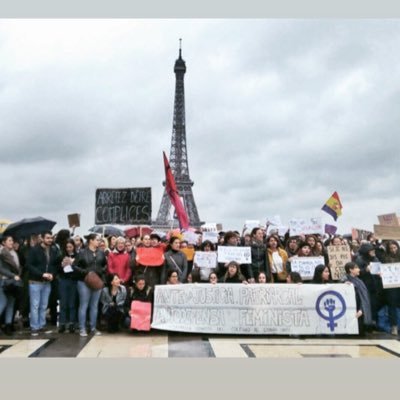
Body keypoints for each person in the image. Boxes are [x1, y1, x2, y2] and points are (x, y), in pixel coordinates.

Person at [26, 231, 61, 336]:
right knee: (35, 305)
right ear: (42, 238)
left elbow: (55, 265)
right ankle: (34, 327)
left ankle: (41, 325)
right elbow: (29, 265)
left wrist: (52, 275)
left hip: (47, 282)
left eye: (51, 238)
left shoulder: (53, 250)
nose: (50, 240)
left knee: (44, 305)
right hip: (35, 282)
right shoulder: (34, 250)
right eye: (47, 238)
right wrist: (42, 274)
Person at [73, 233, 107, 337]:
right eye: (97, 239)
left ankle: (93, 328)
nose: (99, 241)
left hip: (97, 281)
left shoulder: (101, 253)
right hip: (84, 281)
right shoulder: (82, 252)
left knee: (94, 306)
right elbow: (74, 266)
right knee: (84, 305)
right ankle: (82, 328)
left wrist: (100, 271)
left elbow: (105, 265)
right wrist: (87, 272)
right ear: (91, 241)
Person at [342, 262, 373, 336]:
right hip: (352, 313)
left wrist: (361, 309)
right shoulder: (345, 281)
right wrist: (344, 284)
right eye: (356, 268)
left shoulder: (359, 281)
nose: (359, 270)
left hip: (360, 312)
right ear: (351, 270)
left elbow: (364, 297)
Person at [0, 235, 22, 335]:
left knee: (11, 304)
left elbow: (17, 267)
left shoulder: (14, 253)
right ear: (3, 242)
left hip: (13, 282)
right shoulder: (2, 252)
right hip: (4, 281)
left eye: (12, 240)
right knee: (2, 303)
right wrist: (13, 275)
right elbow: (1, 269)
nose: (11, 242)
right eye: (9, 240)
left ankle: (8, 325)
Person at [57, 238, 79, 333]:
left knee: (72, 303)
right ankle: (62, 323)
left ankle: (71, 323)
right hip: (63, 280)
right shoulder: (61, 256)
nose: (69, 249)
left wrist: (73, 263)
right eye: (67, 247)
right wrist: (62, 265)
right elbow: (57, 269)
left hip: (73, 281)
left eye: (70, 247)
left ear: (74, 247)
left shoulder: (78, 256)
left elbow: (80, 269)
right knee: (63, 302)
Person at [382, 241, 400, 336]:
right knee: (392, 306)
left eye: (395, 247)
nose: (393, 250)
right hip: (391, 286)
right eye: (391, 248)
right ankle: (394, 326)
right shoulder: (385, 258)